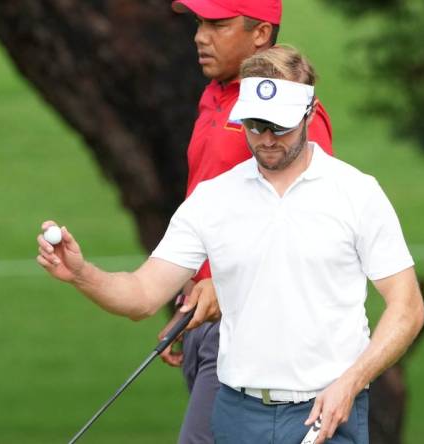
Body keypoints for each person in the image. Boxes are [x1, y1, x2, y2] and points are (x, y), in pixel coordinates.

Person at [37, 45, 424, 443]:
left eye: (280, 125)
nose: (267, 139)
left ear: (310, 113)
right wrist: (81, 274)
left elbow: (407, 307)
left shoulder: (356, 193)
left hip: (329, 411)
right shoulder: (213, 199)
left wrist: (351, 381)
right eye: (255, 125)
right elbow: (142, 296)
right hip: (238, 416)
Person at [160, 1, 333, 442]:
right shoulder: (214, 99)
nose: (201, 36)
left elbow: (316, 219)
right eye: (199, 23)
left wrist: (226, 281)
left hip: (254, 328)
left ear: (261, 34)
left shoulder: (292, 114)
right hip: (206, 321)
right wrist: (187, 300)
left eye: (217, 24)